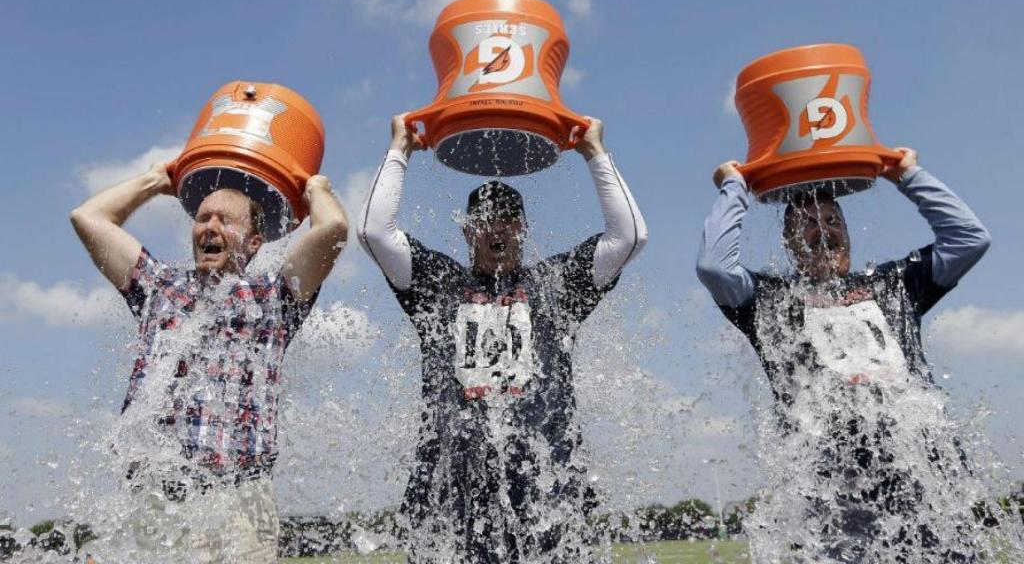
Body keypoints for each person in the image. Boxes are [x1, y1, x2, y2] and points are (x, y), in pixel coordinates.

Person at [358, 114, 647, 563]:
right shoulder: (439, 285)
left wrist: (594, 153)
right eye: (485, 219)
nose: (498, 227)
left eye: (510, 219)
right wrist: (400, 148)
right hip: (453, 495)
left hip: (546, 493)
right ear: (467, 230)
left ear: (524, 229)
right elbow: (374, 231)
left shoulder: (554, 286)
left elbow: (629, 236)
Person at [696, 149, 992, 562]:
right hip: (832, 498)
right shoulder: (770, 300)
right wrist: (736, 186)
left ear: (849, 232)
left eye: (833, 221)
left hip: (923, 477)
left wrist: (907, 174)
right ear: (789, 242)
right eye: (809, 224)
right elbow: (715, 268)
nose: (823, 230)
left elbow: (970, 239)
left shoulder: (895, 283)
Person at [70, 163, 349, 563]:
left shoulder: (275, 297)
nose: (209, 226)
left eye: (224, 220)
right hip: (155, 500)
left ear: (254, 242)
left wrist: (313, 187)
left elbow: (334, 229)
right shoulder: (159, 288)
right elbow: (88, 217)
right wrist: (157, 181)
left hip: (241, 505)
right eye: (202, 218)